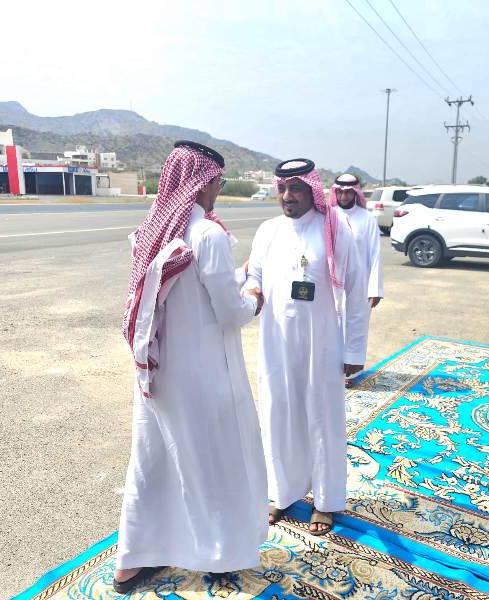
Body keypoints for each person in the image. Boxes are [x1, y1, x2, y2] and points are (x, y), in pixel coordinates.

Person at [115, 141, 267, 593]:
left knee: (154, 460)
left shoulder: (155, 230)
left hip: (158, 371)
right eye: (218, 182)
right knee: (212, 460)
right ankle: (220, 554)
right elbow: (229, 312)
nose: (218, 189)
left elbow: (186, 294)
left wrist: (235, 278)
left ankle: (133, 560)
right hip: (202, 374)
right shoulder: (208, 235)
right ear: (203, 183)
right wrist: (253, 297)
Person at [245, 158, 369, 536]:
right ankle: (281, 493)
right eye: (282, 188)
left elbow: (356, 289)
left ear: (311, 191)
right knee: (278, 415)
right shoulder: (268, 231)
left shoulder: (333, 228)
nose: (287, 196)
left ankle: (325, 501)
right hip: (276, 342)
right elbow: (254, 275)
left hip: (322, 343)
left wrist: (353, 351)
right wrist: (249, 291)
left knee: (321, 419)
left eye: (296, 188)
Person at [328, 173, 384, 386]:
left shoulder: (367, 219)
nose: (344, 196)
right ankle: (331, 369)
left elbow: (375, 254)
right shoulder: (328, 215)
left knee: (356, 323)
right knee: (331, 324)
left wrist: (375, 288)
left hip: (360, 281)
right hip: (333, 281)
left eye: (348, 192)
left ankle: (349, 373)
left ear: (355, 193)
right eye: (340, 192)